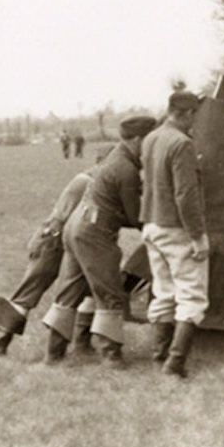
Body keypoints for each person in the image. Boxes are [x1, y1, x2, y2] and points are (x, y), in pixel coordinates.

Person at [41, 116, 157, 367]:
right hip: (94, 233)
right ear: (137, 140)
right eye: (149, 141)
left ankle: (54, 354)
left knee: (69, 292)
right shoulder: (125, 169)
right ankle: (111, 355)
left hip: (77, 228)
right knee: (111, 293)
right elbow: (134, 215)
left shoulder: (116, 158)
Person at [0, 146, 114, 358]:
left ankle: (82, 343)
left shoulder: (93, 181)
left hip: (68, 241)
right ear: (103, 163)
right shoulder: (87, 182)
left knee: (87, 290)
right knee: (28, 294)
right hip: (52, 242)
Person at [140, 90, 209, 378]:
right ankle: (175, 364)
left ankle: (159, 357)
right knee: (192, 297)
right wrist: (197, 236)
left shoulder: (151, 138)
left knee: (164, 292)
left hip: (151, 224)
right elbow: (185, 195)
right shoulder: (181, 143)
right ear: (189, 114)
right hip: (175, 227)